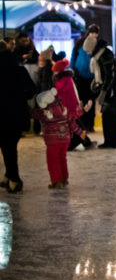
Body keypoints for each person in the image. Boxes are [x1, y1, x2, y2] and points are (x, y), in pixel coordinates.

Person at [0, 40, 36, 193]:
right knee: (10, 147)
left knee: (5, 146)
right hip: (15, 116)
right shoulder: (19, 71)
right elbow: (31, 90)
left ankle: (12, 177)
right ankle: (11, 177)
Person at [86, 36, 116, 148]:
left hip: (114, 90)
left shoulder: (105, 55)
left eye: (88, 50)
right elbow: (102, 75)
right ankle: (109, 141)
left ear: (93, 47)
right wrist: (96, 84)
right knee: (107, 117)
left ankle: (115, 142)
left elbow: (110, 76)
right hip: (109, 89)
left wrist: (104, 92)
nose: (88, 53)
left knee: (113, 116)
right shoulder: (99, 55)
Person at [31, 88, 72, 189]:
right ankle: (64, 178)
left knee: (53, 160)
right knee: (62, 158)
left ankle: (56, 181)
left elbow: (34, 114)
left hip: (53, 140)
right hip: (65, 138)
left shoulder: (44, 111)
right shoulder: (61, 107)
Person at [53, 59, 96, 151]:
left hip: (69, 109)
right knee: (77, 127)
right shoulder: (64, 79)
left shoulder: (64, 80)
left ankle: (83, 143)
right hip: (68, 108)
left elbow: (62, 94)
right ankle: (85, 143)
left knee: (77, 128)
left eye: (55, 71)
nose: (54, 73)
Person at [71, 25, 99, 132]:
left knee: (90, 101)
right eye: (92, 32)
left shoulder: (98, 45)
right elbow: (74, 56)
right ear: (88, 33)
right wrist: (72, 69)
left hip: (92, 77)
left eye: (96, 33)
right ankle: (81, 124)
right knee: (81, 100)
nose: (94, 35)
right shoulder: (80, 43)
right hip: (80, 75)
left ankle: (90, 124)